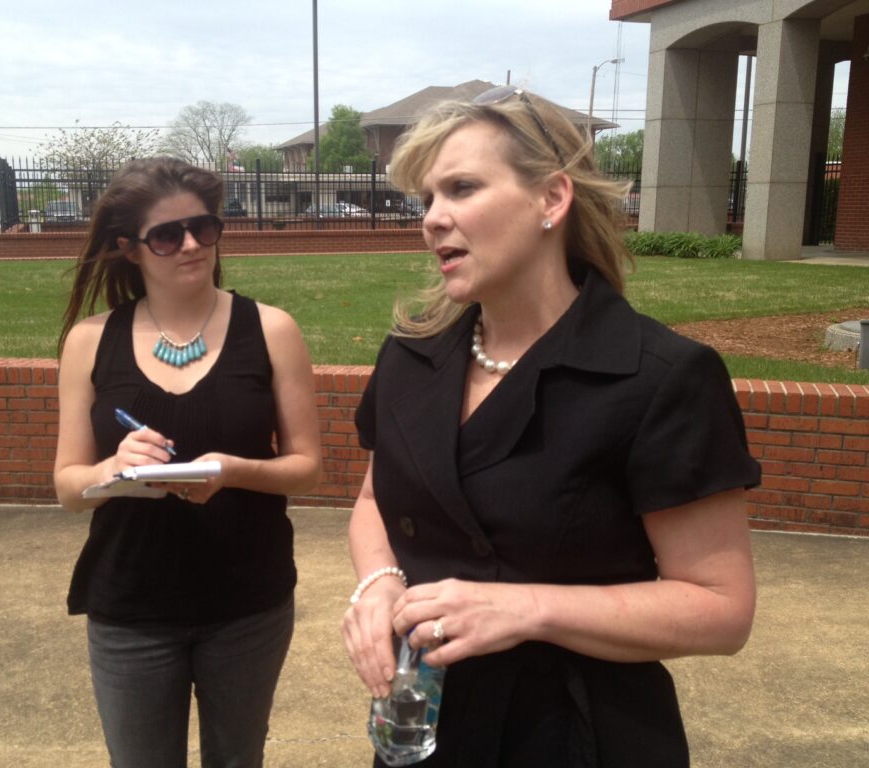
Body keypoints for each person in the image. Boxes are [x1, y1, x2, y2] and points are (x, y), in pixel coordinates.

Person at [341, 86, 761, 767]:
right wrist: (379, 581)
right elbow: (372, 501)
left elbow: (721, 609)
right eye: (427, 200)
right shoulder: (410, 357)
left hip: (580, 733)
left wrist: (527, 609)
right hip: (422, 727)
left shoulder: (659, 377)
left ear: (551, 200)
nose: (433, 219)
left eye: (462, 188)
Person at [53, 157, 322, 768]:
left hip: (247, 603)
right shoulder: (91, 341)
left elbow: (309, 467)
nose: (192, 245)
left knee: (237, 759)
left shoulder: (272, 329)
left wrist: (233, 471)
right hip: (131, 608)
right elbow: (69, 488)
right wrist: (111, 471)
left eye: (204, 227)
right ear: (129, 248)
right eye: (168, 235)